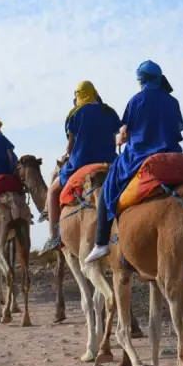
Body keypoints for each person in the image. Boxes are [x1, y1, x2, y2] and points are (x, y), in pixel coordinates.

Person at [85, 61, 183, 263]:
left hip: (140, 155)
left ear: (141, 80)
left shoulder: (136, 100)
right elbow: (178, 129)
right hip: (173, 154)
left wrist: (121, 139)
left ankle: (101, 242)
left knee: (107, 191)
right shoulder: (172, 101)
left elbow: (125, 133)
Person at [43, 81, 122, 253]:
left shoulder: (75, 113)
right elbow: (116, 136)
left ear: (78, 96)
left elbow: (70, 146)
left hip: (80, 162)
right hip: (110, 160)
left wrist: (68, 154)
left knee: (52, 190)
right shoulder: (108, 111)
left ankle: (53, 237)